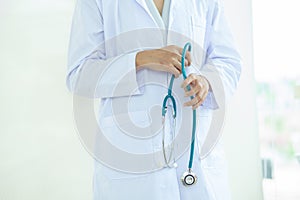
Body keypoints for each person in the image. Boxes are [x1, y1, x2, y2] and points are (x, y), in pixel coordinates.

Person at [66, 0, 242, 199]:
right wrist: (142, 59)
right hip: (131, 163)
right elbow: (79, 74)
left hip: (196, 156)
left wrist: (207, 82)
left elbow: (228, 60)